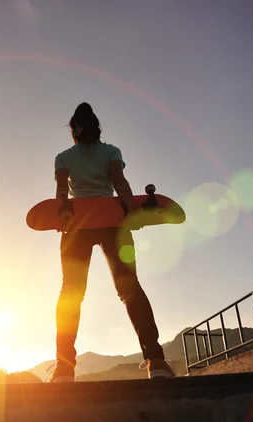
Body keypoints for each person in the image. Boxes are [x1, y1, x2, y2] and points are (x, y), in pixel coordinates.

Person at [49, 102, 174, 382]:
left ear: (75, 130)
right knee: (130, 289)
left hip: (78, 225)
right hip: (112, 223)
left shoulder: (63, 157)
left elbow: (61, 191)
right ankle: (157, 363)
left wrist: (64, 213)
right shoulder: (111, 151)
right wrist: (132, 212)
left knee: (71, 292)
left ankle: (63, 369)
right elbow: (120, 183)